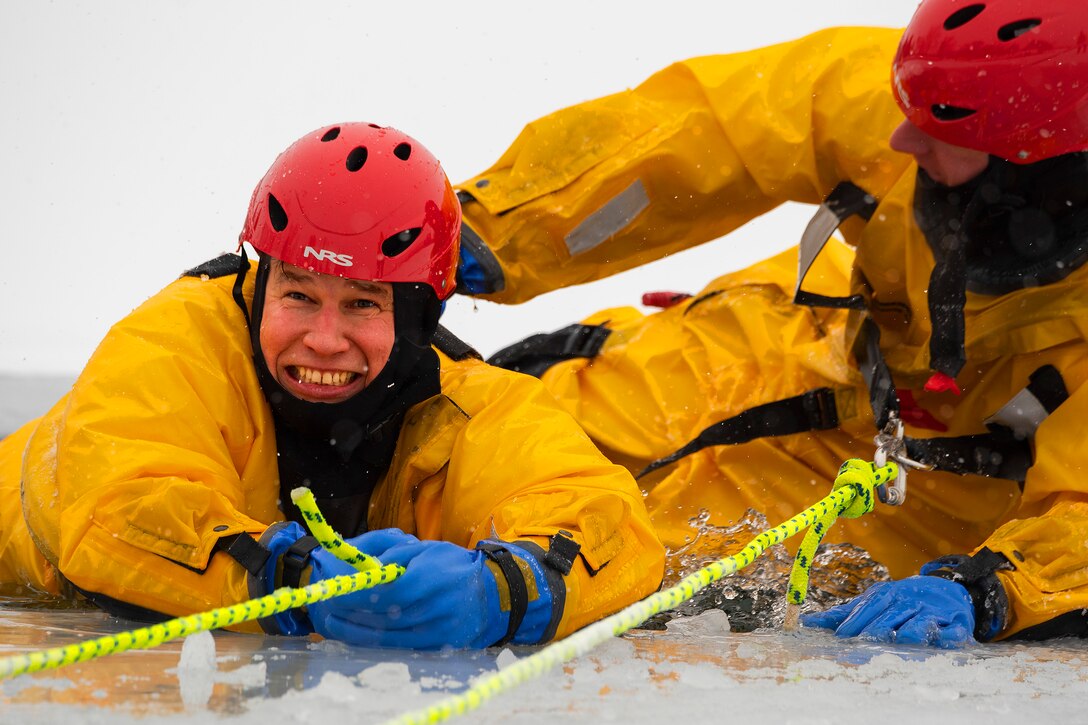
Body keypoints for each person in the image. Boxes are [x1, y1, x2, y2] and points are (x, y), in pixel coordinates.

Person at [453, 0, 1088, 647]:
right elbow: (707, 130)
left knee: (613, 557)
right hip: (801, 349)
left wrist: (994, 586)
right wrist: (486, 232)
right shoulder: (914, 93)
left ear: (1039, 162)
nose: (901, 137)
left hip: (933, 497)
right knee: (484, 430)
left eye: (944, 125)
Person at [0, 122, 665, 650]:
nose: (323, 338)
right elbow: (119, 510)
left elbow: (603, 522)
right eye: (298, 294)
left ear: (416, 317)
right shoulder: (177, 340)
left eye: (362, 304)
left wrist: (506, 592)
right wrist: (293, 581)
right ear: (260, 284)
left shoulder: (466, 405)